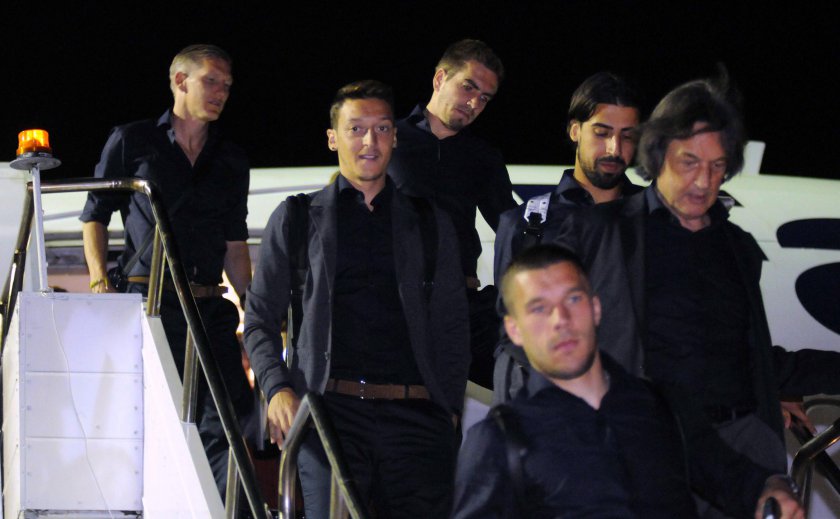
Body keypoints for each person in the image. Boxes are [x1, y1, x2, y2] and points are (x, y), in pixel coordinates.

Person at [558, 74, 838, 517]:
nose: (703, 181)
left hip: (743, 454)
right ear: (657, 154)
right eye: (689, 162)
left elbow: (757, 362)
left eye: (717, 166)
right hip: (647, 455)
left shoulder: (737, 247)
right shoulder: (606, 236)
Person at [243, 80, 469, 518]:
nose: (371, 141)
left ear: (396, 137)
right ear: (333, 138)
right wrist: (277, 388)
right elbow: (259, 320)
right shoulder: (296, 218)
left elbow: (452, 326)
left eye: (383, 128)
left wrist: (448, 409)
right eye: (356, 128)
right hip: (329, 418)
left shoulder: (430, 223)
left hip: (418, 420)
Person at [453, 244, 803, 518]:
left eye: (572, 299)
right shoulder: (499, 441)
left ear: (596, 308)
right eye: (539, 308)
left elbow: (737, 479)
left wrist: (774, 489)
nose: (561, 319)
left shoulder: (662, 407)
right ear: (514, 330)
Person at [79, 43, 254, 496]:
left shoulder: (232, 158)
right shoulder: (132, 139)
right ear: (180, 81)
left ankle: (222, 506)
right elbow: (94, 214)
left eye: (227, 86)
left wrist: (254, 308)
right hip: (149, 305)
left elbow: (235, 242)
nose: (221, 93)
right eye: (211, 81)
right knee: (146, 413)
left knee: (226, 417)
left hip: (210, 307)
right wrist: (100, 283)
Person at [492, 71, 644, 403]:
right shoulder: (527, 222)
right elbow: (509, 333)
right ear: (575, 131)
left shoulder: (656, 220)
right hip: (550, 418)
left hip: (639, 415)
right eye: (602, 133)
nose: (614, 149)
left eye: (627, 136)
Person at [388, 39, 516, 388]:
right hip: (394, 308)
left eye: (485, 98)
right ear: (440, 78)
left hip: (460, 307)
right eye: (469, 87)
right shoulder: (388, 141)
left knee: (519, 380)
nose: (475, 103)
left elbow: (514, 227)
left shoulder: (483, 157)